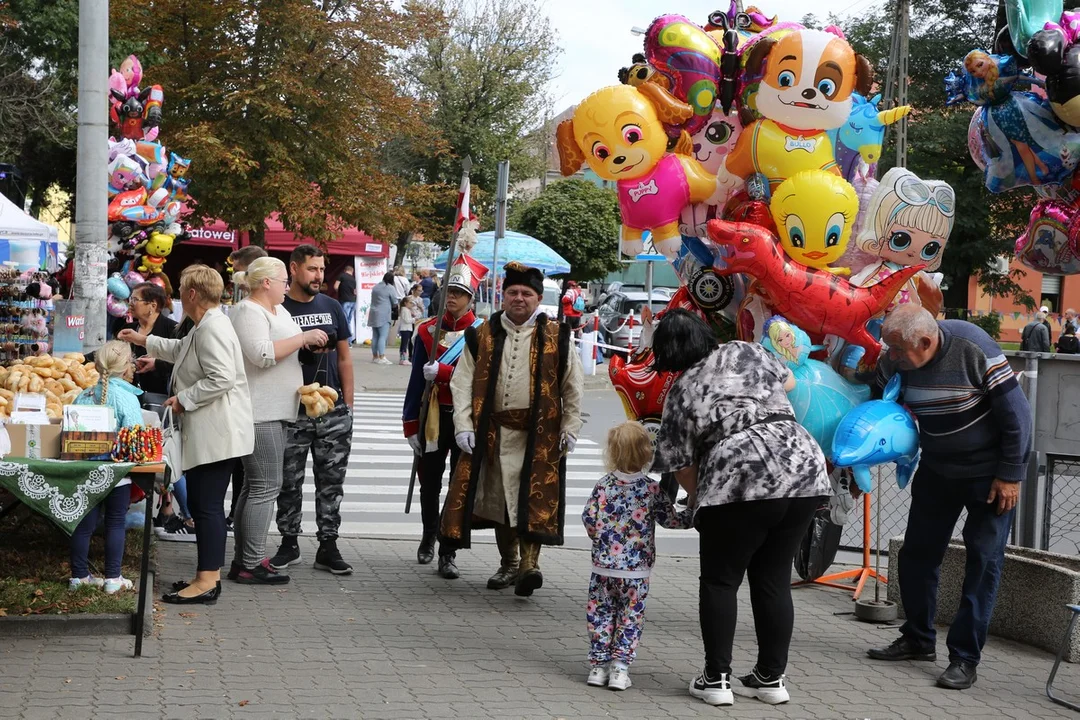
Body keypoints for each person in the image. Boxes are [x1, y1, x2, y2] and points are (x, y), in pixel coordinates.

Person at [649, 309, 831, 707]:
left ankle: (716, 680)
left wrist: (701, 503)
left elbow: (681, 465)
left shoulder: (681, 391)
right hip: (803, 468)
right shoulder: (747, 350)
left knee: (720, 581)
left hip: (741, 477)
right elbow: (791, 379)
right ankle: (770, 679)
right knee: (773, 580)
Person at [867, 305, 1033, 691]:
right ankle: (918, 638)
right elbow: (876, 395)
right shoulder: (895, 357)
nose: (891, 358)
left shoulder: (972, 347)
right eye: (888, 349)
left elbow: (1018, 416)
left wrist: (1010, 475)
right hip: (938, 467)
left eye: (897, 350)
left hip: (989, 475)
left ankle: (964, 658)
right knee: (917, 555)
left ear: (925, 342)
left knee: (983, 561)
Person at [440, 261, 584, 596]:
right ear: (503, 296)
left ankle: (529, 565)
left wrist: (571, 426)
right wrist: (463, 425)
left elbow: (572, 386)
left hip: (539, 436)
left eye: (526, 293)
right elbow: (462, 384)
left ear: (537, 298)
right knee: (501, 501)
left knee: (533, 500)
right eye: (513, 292)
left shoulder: (557, 335)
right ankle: (509, 563)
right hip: (494, 433)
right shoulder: (482, 334)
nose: (519, 298)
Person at [120, 265, 255, 605]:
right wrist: (144, 341)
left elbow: (221, 377)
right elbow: (181, 349)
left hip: (218, 433)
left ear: (192, 294)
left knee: (206, 506)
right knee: (201, 502)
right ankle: (204, 576)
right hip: (212, 432)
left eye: (181, 287)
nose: (177, 293)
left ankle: (207, 580)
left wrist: (184, 398)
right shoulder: (205, 324)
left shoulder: (212, 328)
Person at [229, 257, 328, 585]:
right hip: (261, 410)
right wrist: (302, 339)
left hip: (277, 408)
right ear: (265, 283)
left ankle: (245, 559)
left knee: (254, 486)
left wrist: (308, 345)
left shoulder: (279, 310)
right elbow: (261, 353)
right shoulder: (248, 311)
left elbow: (283, 348)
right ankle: (252, 562)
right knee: (265, 487)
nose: (288, 284)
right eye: (284, 279)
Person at [582, 421, 693, 692]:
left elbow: (588, 518)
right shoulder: (651, 489)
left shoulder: (603, 485)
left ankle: (599, 666)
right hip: (637, 571)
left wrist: (601, 539)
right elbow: (671, 520)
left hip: (604, 567)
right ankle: (620, 668)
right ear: (646, 453)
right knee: (631, 616)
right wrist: (691, 510)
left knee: (600, 612)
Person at [270, 244, 355, 575]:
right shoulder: (279, 308)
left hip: (332, 412)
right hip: (291, 410)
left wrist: (347, 405)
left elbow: (345, 358)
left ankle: (328, 546)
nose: (319, 275)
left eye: (321, 269)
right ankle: (288, 543)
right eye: (312, 269)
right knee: (288, 481)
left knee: (331, 482)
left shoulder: (332, 306)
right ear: (294, 269)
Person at [402, 253, 486, 578]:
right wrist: (411, 424)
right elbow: (414, 382)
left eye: (459, 293)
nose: (451, 298)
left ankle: (447, 551)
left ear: (470, 299)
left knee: (457, 486)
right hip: (432, 416)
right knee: (429, 482)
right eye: (449, 291)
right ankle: (427, 535)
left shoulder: (483, 333)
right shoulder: (426, 331)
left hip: (465, 418)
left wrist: (445, 373)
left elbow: (481, 378)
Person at [68, 341, 146, 595]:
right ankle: (113, 578)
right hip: (117, 473)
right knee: (115, 523)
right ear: (126, 368)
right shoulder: (127, 398)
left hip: (84, 471)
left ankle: (78, 577)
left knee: (83, 525)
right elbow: (135, 436)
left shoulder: (84, 395)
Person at [118, 282, 193, 541]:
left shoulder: (171, 329)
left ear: (153, 305)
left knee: (168, 456)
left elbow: (182, 366)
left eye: (136, 299)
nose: (130, 303)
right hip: (137, 401)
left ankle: (189, 515)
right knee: (152, 456)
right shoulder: (127, 329)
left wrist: (156, 364)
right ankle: (167, 509)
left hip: (166, 402)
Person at [368, 272, 398, 365]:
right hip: (384, 313)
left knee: (375, 336)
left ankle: (375, 356)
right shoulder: (390, 287)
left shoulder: (376, 287)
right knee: (383, 336)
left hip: (373, 312)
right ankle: (382, 356)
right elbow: (395, 301)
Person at [333, 264, 357, 342]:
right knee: (349, 321)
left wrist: (339, 292)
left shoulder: (342, 276)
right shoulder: (353, 279)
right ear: (352, 271)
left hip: (345, 300)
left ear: (345, 270)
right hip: (353, 301)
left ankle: (347, 341)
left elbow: (335, 286)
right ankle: (350, 340)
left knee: (344, 321)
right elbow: (355, 292)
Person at [397, 295, 418, 366]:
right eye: (410, 303)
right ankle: (403, 359)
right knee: (404, 344)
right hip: (405, 328)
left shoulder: (407, 310)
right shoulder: (405, 310)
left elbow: (414, 304)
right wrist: (414, 320)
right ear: (405, 303)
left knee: (405, 343)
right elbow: (406, 320)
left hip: (407, 328)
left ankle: (403, 358)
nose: (411, 304)